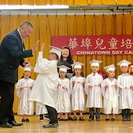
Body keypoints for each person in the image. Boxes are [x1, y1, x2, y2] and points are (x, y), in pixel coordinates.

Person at [0, 21, 39, 128]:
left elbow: (17, 56)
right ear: (22, 28)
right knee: (6, 98)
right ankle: (2, 121)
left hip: (10, 73)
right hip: (4, 73)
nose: (29, 35)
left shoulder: (18, 38)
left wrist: (22, 62)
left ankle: (10, 119)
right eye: (28, 32)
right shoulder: (11, 37)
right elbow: (13, 54)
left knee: (10, 98)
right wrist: (31, 51)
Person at [29, 43, 62, 128]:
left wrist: (40, 52)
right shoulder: (51, 63)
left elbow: (42, 67)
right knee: (50, 103)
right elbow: (42, 64)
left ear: (54, 56)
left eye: (50, 54)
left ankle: (53, 121)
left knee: (49, 103)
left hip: (49, 87)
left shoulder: (52, 64)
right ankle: (54, 121)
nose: (48, 55)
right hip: (48, 86)